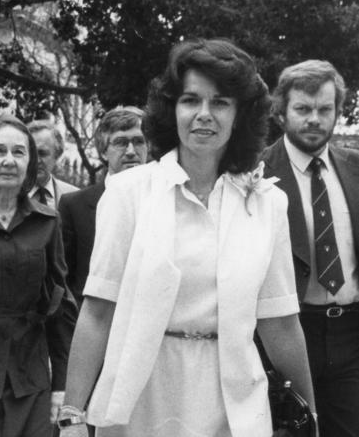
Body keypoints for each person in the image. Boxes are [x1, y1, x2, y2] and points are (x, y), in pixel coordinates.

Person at [58, 38, 317, 437]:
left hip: (235, 404)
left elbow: (280, 324)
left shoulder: (267, 203)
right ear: (171, 109)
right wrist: (73, 414)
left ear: (240, 115)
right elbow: (98, 312)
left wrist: (309, 416)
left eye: (221, 103)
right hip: (142, 399)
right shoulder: (129, 193)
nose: (204, 115)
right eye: (190, 100)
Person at [0, 115, 77, 437]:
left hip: (28, 378)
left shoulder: (46, 222)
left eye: (19, 152)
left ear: (29, 164)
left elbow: (61, 307)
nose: (9, 161)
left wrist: (62, 386)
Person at [263, 59, 359, 436]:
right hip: (286, 333)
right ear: (282, 112)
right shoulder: (254, 173)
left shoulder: (355, 168)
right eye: (303, 109)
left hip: (351, 335)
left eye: (325, 109)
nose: (315, 119)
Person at [58, 106, 147, 303]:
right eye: (121, 143)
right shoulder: (75, 206)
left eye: (139, 142)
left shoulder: (164, 201)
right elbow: (63, 281)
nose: (131, 152)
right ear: (104, 152)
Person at [27, 120, 78, 207]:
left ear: (57, 155)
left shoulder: (75, 198)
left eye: (42, 153)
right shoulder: (7, 196)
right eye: (31, 153)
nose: (36, 160)